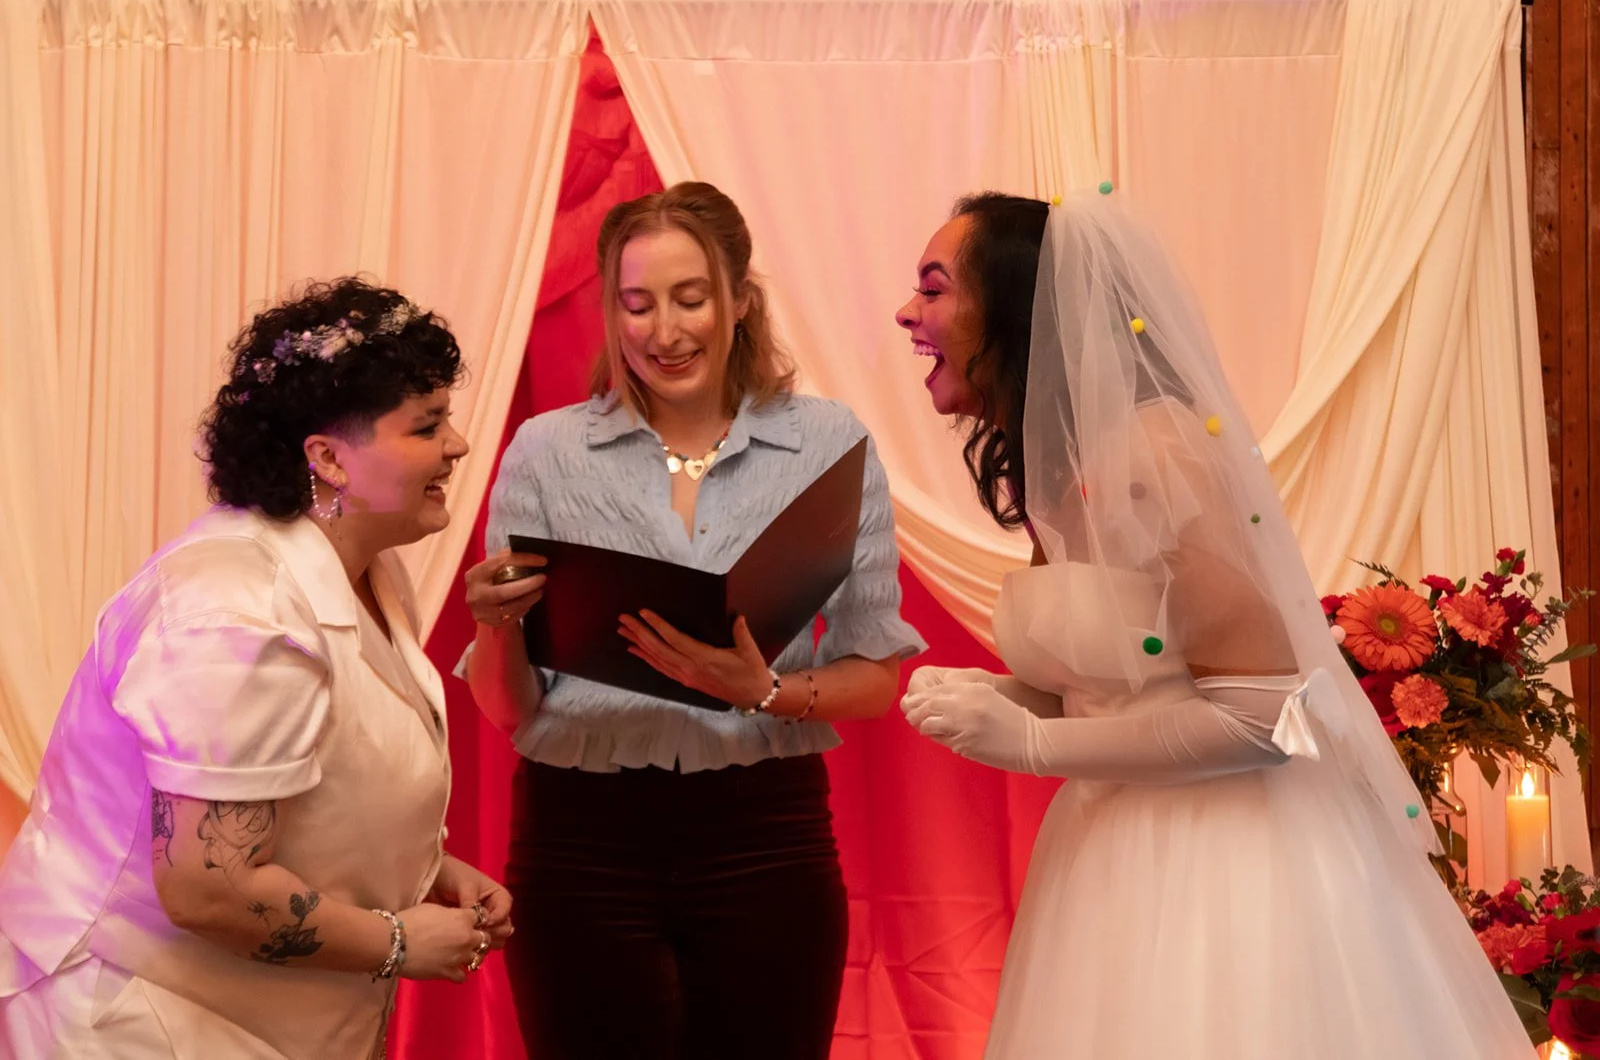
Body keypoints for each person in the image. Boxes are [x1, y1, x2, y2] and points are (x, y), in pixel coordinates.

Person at [894, 191, 1536, 1058]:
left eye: (933, 290)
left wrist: (1035, 746)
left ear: (1017, 306)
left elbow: (1262, 714)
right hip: (1110, 862)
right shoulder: (1063, 468)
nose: (908, 314)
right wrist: (1001, 695)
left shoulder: (1157, 455)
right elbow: (1124, 679)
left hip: (1228, 875)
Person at [462, 181, 925, 1060]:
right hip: (579, 843)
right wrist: (494, 626)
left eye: (690, 298)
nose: (664, 332)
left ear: (739, 298)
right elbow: (511, 712)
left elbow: (876, 681)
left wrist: (769, 691)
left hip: (764, 838)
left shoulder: (826, 443)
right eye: (636, 305)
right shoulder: (546, 452)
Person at [0, 277, 513, 1060]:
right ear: (328, 458)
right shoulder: (238, 615)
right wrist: (398, 941)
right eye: (428, 425)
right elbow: (211, 886)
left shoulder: (362, 567)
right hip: (140, 1018)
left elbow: (310, 784)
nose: (458, 444)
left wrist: (422, 865)